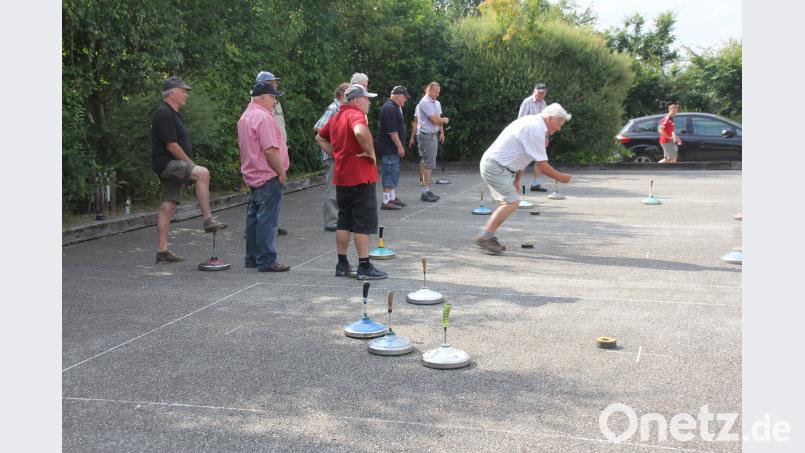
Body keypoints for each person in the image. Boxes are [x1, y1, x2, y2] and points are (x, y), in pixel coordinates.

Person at [475, 103, 573, 254]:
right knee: (512, 202)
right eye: (559, 123)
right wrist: (561, 177)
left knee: (508, 202)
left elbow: (523, 156)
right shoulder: (535, 128)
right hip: (495, 167)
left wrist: (516, 180)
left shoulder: (533, 123)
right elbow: (541, 165)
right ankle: (485, 236)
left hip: (500, 167)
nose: (559, 128)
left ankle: (488, 234)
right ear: (549, 118)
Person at [315, 84, 388, 280]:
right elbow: (359, 132)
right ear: (356, 101)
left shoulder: (337, 116)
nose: (370, 102)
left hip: (342, 177)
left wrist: (337, 155)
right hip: (360, 177)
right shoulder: (355, 115)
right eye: (367, 98)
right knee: (362, 224)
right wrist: (371, 152)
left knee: (344, 221)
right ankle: (364, 266)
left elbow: (320, 138)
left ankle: (342, 263)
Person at [151, 77, 227, 263]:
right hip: (168, 163)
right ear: (171, 92)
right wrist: (190, 167)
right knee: (202, 173)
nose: (186, 94)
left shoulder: (174, 113)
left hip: (171, 164)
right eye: (183, 90)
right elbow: (171, 145)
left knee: (169, 205)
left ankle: (162, 251)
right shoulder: (163, 112)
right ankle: (208, 219)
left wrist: (187, 173)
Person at [236, 81, 291, 272]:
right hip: (268, 176)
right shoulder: (263, 118)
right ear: (261, 97)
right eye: (273, 97)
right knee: (268, 220)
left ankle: (252, 257)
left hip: (252, 174)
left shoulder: (245, 117)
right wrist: (281, 172)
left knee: (254, 219)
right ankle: (267, 260)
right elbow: (270, 150)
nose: (275, 102)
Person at [255, 71, 289, 235]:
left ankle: (274, 224)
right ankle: (263, 228)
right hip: (269, 153)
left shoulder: (275, 102)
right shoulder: (260, 106)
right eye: (272, 82)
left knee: (276, 194)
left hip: (278, 148)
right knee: (265, 196)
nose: (276, 85)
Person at [315, 82, 350, 231]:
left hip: (337, 154)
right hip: (332, 155)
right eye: (348, 95)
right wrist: (334, 143)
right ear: (341, 94)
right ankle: (331, 221)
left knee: (339, 187)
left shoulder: (340, 109)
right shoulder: (333, 108)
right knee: (332, 187)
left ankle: (337, 219)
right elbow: (318, 127)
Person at [411, 82, 449, 202]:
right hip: (426, 135)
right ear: (429, 90)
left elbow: (438, 119)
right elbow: (434, 119)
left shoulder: (436, 103)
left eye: (439, 92)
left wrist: (442, 132)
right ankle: (425, 191)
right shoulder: (424, 102)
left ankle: (426, 189)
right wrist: (444, 120)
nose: (438, 94)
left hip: (432, 135)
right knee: (429, 163)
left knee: (428, 162)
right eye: (436, 92)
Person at [377, 86, 411, 210]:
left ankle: (392, 197)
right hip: (389, 148)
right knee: (389, 172)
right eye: (405, 98)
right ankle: (386, 201)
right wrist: (400, 146)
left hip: (391, 148)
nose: (405, 101)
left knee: (393, 172)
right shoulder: (390, 108)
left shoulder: (393, 107)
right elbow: (392, 132)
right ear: (399, 96)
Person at [517, 83, 549, 192]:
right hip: (527, 136)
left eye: (543, 93)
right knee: (522, 160)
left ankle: (535, 184)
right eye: (539, 92)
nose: (541, 95)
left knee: (541, 159)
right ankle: (515, 183)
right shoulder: (527, 102)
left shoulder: (544, 103)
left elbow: (545, 121)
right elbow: (520, 120)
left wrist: (546, 137)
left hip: (539, 136)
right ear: (534, 91)